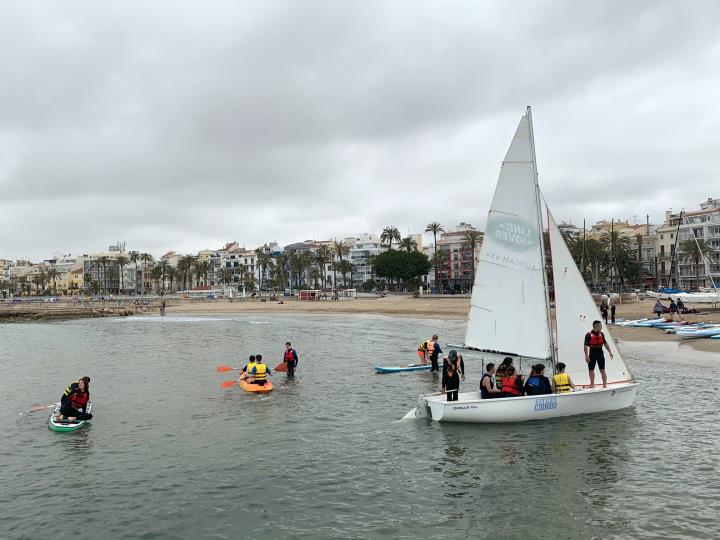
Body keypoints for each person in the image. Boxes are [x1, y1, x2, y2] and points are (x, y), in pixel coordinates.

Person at [583, 320, 614, 388]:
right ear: (596, 326)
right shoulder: (588, 335)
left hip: (600, 353)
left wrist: (610, 352)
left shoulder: (601, 334)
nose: (601, 327)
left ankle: (604, 385)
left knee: (602, 369)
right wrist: (586, 356)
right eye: (600, 326)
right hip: (592, 353)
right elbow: (585, 346)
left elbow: (605, 343)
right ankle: (592, 384)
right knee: (591, 369)